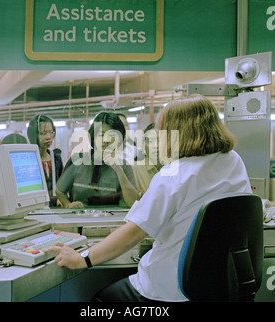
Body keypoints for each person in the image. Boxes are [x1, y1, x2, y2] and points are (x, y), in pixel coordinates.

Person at [44, 94, 252, 302]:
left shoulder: (173, 175)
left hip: (168, 288)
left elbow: (134, 232)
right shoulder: (234, 161)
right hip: (220, 284)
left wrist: (83, 259)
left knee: (102, 300)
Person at [56, 111, 136, 209]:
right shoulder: (79, 160)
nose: (105, 140)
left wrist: (118, 170)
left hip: (111, 221)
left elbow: (133, 202)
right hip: (80, 219)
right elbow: (60, 191)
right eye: (101, 134)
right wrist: (68, 204)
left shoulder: (124, 166)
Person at [27, 115, 63, 207]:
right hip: (35, 208)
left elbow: (62, 186)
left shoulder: (56, 158)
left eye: (51, 132)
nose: (48, 137)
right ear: (33, 135)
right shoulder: (29, 160)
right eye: (43, 133)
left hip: (55, 208)